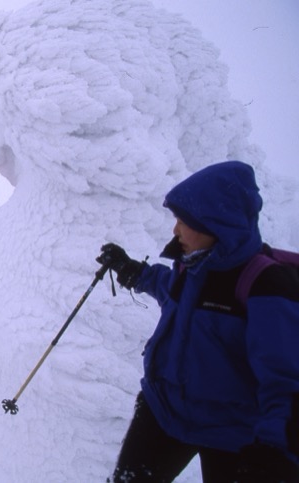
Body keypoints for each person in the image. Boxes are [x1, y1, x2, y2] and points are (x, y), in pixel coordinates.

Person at [96, 160, 299, 482]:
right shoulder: (192, 266)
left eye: (183, 221)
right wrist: (133, 270)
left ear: (217, 224)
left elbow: (285, 380)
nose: (175, 230)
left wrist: (276, 452)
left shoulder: (264, 285)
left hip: (231, 432)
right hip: (164, 409)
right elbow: (169, 289)